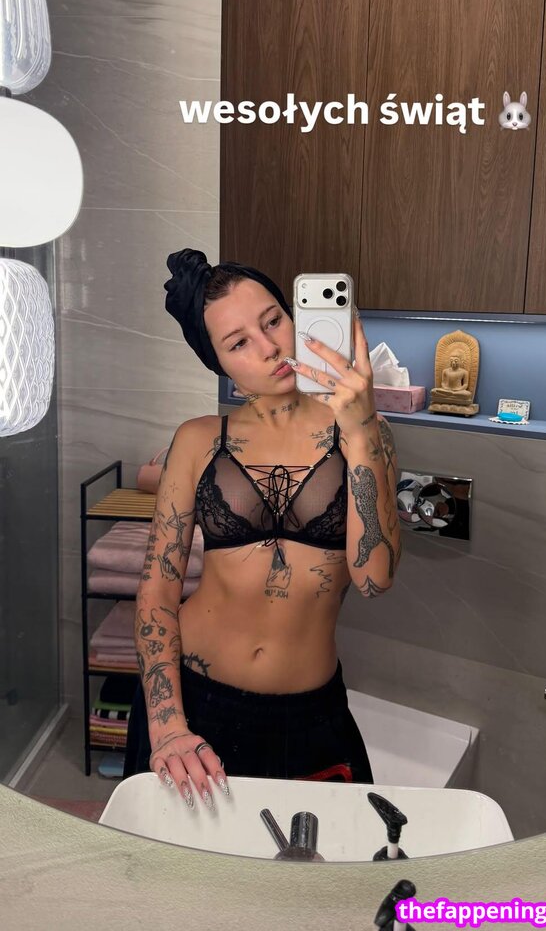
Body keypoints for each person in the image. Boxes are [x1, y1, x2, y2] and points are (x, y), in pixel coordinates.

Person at [123, 248, 402, 811]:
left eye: (273, 320)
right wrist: (167, 724)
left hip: (309, 715)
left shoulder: (366, 432)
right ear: (217, 362)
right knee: (178, 866)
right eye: (239, 342)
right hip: (194, 703)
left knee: (317, 864)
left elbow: (374, 580)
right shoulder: (198, 439)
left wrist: (361, 429)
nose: (269, 347)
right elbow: (158, 591)